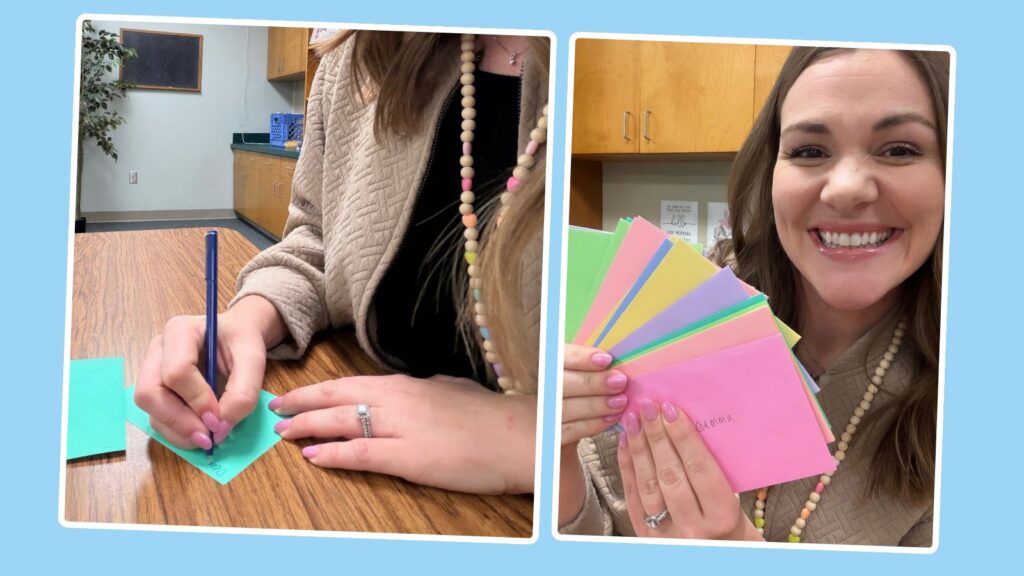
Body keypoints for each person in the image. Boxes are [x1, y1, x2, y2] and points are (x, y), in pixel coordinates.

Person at [560, 47, 948, 545]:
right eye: (809, 151)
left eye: (899, 149)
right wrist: (557, 454)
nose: (846, 189)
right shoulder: (677, 303)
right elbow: (593, 527)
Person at [134, 31, 549, 495]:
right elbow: (317, 238)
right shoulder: (360, 57)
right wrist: (249, 318)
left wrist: (540, 440)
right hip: (366, 478)